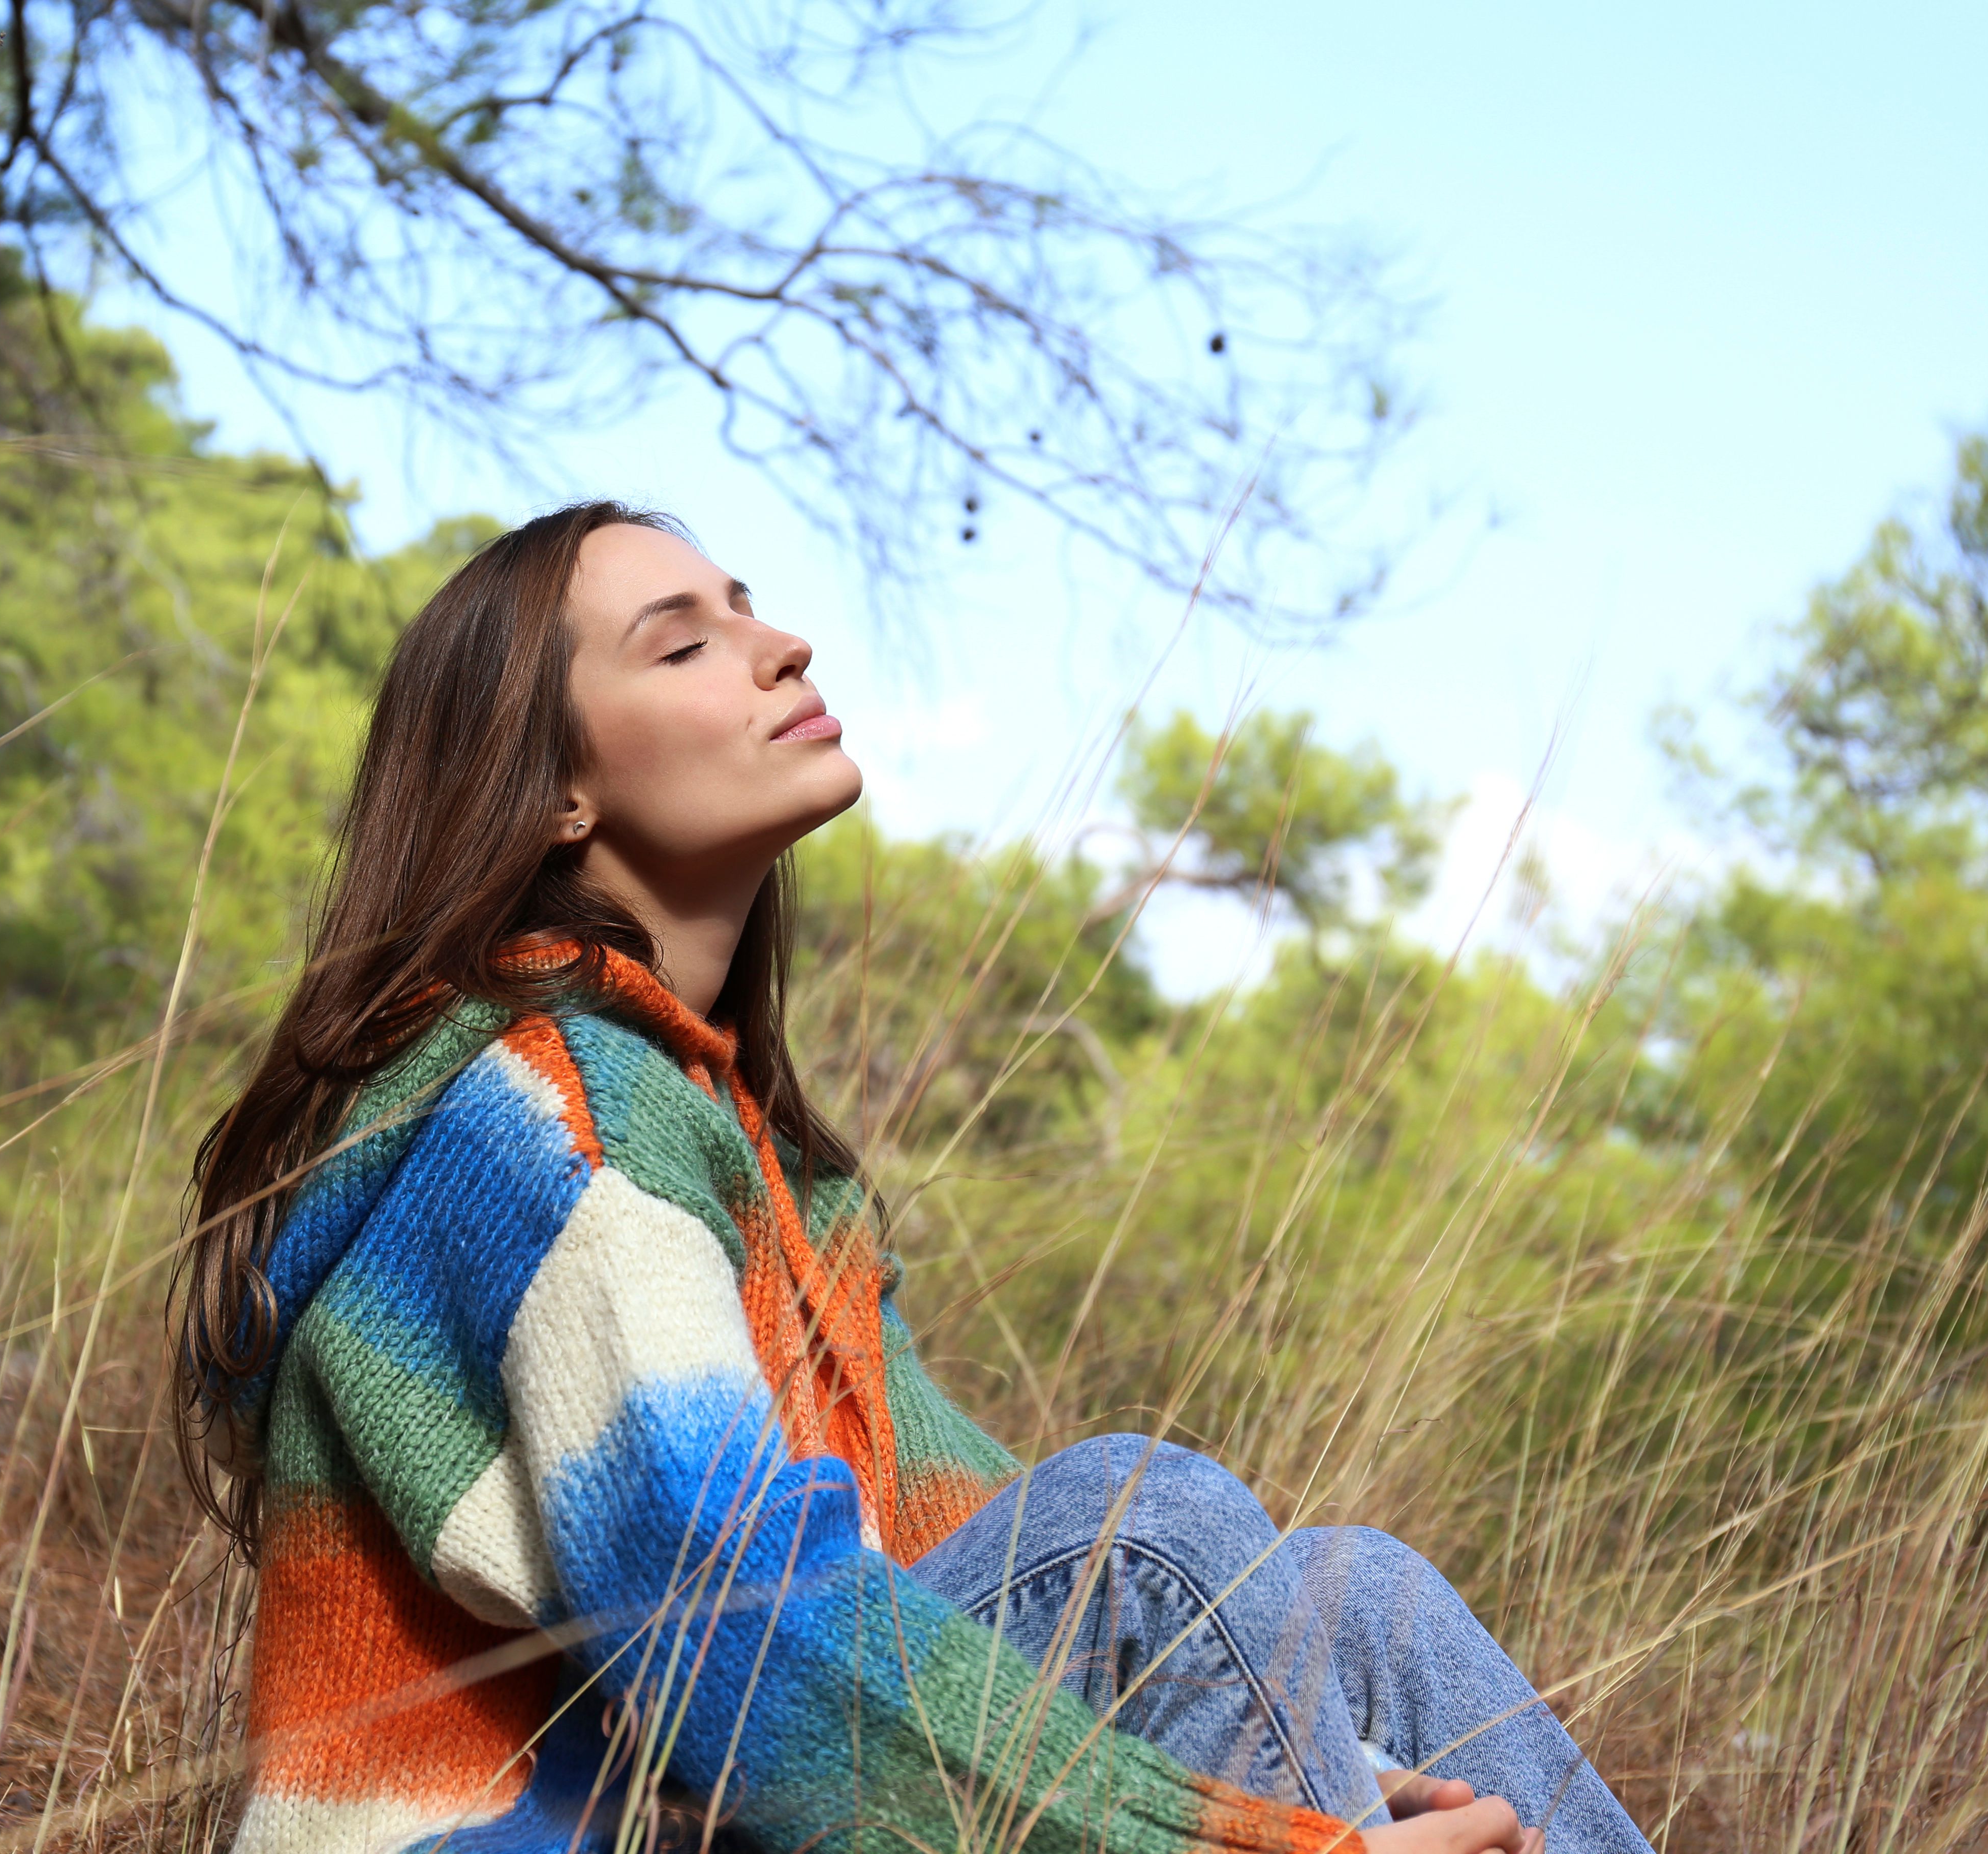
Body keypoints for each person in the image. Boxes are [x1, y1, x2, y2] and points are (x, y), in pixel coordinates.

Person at [176, 504, 1656, 1854]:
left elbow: (958, 1562)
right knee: (1155, 1529)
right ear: (555, 790)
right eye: (685, 640)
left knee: (1356, 1599)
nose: (782, 645)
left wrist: (1284, 1755)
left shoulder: (754, 1160)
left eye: (748, 607)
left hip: (706, 1813)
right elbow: (730, 1620)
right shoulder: (549, 1111)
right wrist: (1235, 1841)